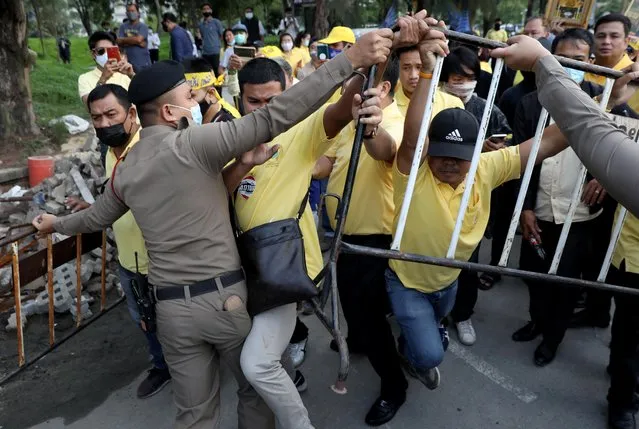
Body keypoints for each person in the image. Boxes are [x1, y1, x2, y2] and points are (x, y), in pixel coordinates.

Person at [32, 28, 395, 429]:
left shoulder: (125, 169)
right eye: (190, 97)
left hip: (170, 311)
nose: (198, 101)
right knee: (253, 394)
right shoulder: (197, 143)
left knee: (194, 414)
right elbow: (275, 116)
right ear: (169, 112)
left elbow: (94, 219)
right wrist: (351, 59)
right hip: (224, 302)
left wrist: (54, 223)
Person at [388, 30, 578, 394]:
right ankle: (413, 352)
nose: (448, 163)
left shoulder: (486, 167)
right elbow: (412, 140)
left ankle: (420, 336)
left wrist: (559, 75)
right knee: (430, 354)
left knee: (436, 325)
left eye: (459, 157)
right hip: (407, 283)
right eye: (441, 152)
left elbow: (552, 140)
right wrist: (427, 73)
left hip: (449, 281)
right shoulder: (413, 174)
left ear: (476, 154)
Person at [510, 28, 636, 367]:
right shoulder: (529, 102)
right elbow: (521, 162)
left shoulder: (611, 101)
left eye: (577, 60)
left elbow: (625, 152)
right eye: (560, 60)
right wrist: (524, 208)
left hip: (580, 217)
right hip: (538, 211)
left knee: (565, 285)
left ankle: (552, 340)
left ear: (590, 62)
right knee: (533, 276)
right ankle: (536, 321)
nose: (569, 66)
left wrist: (606, 180)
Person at [313, 56, 411, 426]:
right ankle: (356, 343)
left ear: (381, 87)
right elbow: (326, 164)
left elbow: (385, 150)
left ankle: (394, 385)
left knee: (369, 316)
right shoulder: (345, 121)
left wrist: (369, 129)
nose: (345, 88)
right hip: (343, 235)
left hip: (376, 238)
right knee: (352, 302)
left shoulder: (397, 119)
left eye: (354, 81)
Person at [67, 84, 172, 399]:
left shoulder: (156, 147)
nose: (103, 123)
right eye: (96, 117)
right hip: (130, 261)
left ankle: (199, 373)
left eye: (111, 114)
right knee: (144, 321)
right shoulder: (109, 154)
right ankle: (161, 368)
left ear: (132, 113)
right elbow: (116, 199)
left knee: (179, 324)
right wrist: (92, 208)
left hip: (166, 262)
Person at [440, 46, 511, 347]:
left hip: (473, 198)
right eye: (457, 76)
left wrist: (495, 149)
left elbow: (507, 145)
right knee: (434, 257)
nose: (464, 82)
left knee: (467, 261)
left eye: (471, 77)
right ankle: (435, 313)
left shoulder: (488, 110)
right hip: (435, 195)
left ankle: (463, 314)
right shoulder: (433, 103)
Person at [585, 13, 639, 113]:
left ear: (626, 42)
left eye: (614, 36)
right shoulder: (579, 70)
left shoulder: (635, 78)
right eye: (601, 36)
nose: (606, 41)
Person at [394, 45, 463, 118]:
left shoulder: (452, 104)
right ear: (398, 69)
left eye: (420, 67)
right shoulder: (389, 104)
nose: (413, 75)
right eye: (406, 68)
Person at [78, 31, 134, 105]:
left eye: (110, 50)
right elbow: (90, 106)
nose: (106, 54)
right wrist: (103, 79)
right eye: (101, 51)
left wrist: (132, 75)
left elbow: (146, 94)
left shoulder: (125, 74)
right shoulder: (84, 78)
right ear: (93, 54)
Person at [182, 57, 240, 123]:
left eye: (191, 97)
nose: (183, 103)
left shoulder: (227, 123)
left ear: (211, 94)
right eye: (181, 96)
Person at [117, 3, 151, 72]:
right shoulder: (122, 26)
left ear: (138, 13)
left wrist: (124, 41)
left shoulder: (143, 26)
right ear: (126, 13)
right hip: (128, 63)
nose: (131, 13)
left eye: (133, 11)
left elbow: (138, 39)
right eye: (128, 11)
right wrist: (136, 42)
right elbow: (118, 41)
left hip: (143, 63)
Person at [199, 2, 225, 72]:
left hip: (215, 53)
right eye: (204, 9)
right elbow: (202, 36)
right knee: (207, 73)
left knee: (217, 72)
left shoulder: (217, 22)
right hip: (205, 53)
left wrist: (217, 44)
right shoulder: (201, 25)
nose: (206, 11)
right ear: (202, 11)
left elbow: (222, 36)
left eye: (208, 9)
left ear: (211, 11)